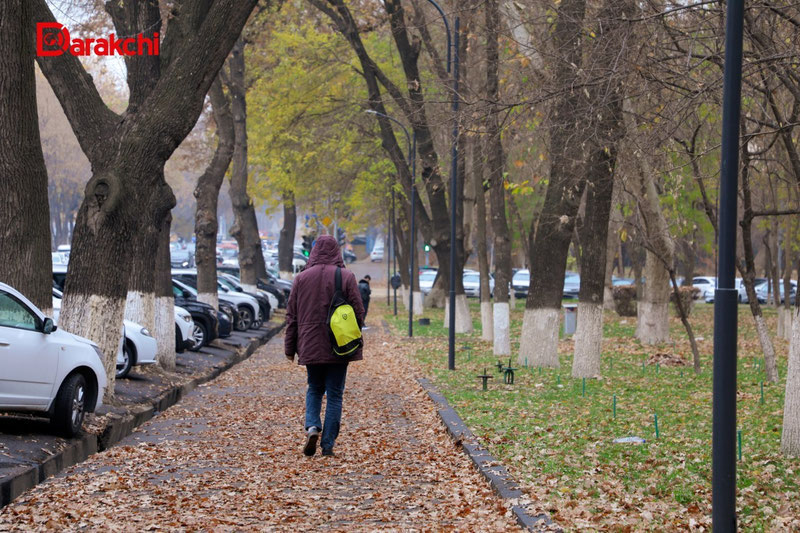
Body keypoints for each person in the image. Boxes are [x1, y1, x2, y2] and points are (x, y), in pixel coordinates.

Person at [285, 235, 365, 457]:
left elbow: (291, 316)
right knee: (335, 394)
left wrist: (289, 348)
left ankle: (312, 426)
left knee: (314, 388)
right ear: (337, 252)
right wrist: (351, 333)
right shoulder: (346, 276)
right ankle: (327, 444)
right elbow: (359, 311)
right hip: (339, 345)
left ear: (314, 252)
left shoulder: (301, 279)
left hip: (310, 344)